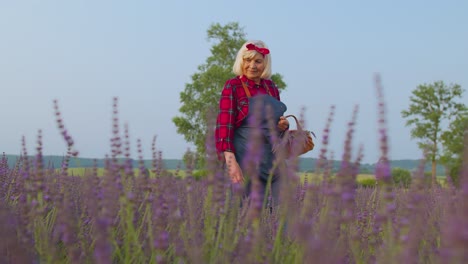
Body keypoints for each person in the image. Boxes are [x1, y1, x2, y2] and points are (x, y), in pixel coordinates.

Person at [215, 40, 289, 207]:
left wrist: (281, 126)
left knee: (280, 210)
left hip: (271, 159)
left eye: (258, 61)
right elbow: (224, 126)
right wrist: (231, 162)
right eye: (247, 60)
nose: (252, 66)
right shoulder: (233, 86)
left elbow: (273, 127)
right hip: (244, 159)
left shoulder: (271, 87)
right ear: (241, 61)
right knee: (245, 211)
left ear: (265, 64)